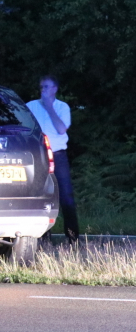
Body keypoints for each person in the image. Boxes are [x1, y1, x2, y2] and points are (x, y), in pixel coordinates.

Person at [27, 75, 79, 242]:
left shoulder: (62, 107)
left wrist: (49, 107)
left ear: (55, 89)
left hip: (58, 156)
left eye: (46, 87)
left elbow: (61, 129)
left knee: (66, 196)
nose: (43, 90)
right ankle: (43, 238)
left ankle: (72, 238)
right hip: (37, 156)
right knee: (40, 196)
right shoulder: (31, 106)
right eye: (41, 87)